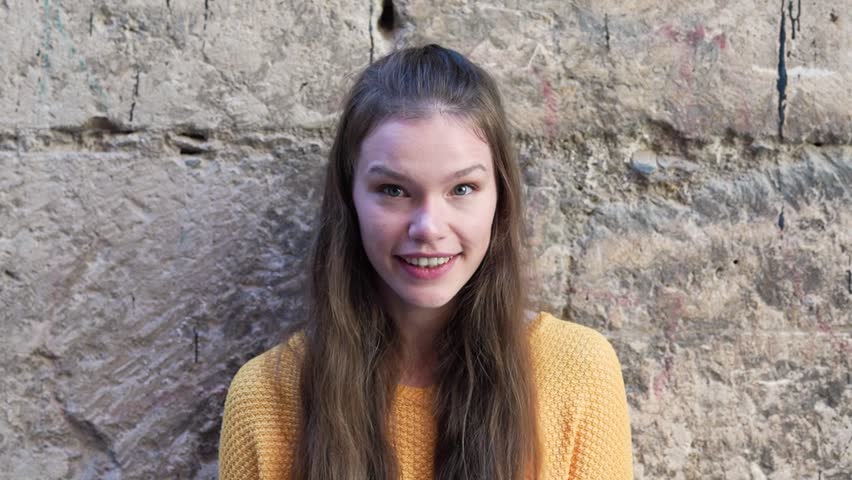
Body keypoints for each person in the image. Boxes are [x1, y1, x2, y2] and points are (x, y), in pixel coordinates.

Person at [218, 44, 633, 480]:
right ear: (349, 198)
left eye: (462, 189)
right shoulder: (265, 398)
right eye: (394, 190)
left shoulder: (578, 372)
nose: (428, 227)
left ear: (500, 198)